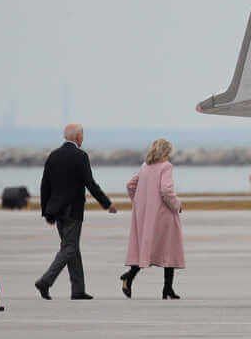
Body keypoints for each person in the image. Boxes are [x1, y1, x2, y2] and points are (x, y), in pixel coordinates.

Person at [35, 124, 117, 300]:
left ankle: (78, 290)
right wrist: (106, 203)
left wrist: (47, 212)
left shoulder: (54, 155)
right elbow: (90, 183)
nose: (83, 138)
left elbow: (45, 185)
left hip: (56, 211)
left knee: (72, 248)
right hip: (72, 210)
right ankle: (45, 281)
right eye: (83, 135)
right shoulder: (80, 156)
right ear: (78, 137)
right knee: (69, 248)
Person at [120, 138, 185, 299]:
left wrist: (139, 202)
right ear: (165, 152)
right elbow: (166, 190)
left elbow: (130, 185)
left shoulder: (145, 166)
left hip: (147, 215)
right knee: (168, 251)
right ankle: (167, 288)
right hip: (164, 215)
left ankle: (130, 276)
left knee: (147, 249)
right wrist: (177, 205)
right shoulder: (166, 167)